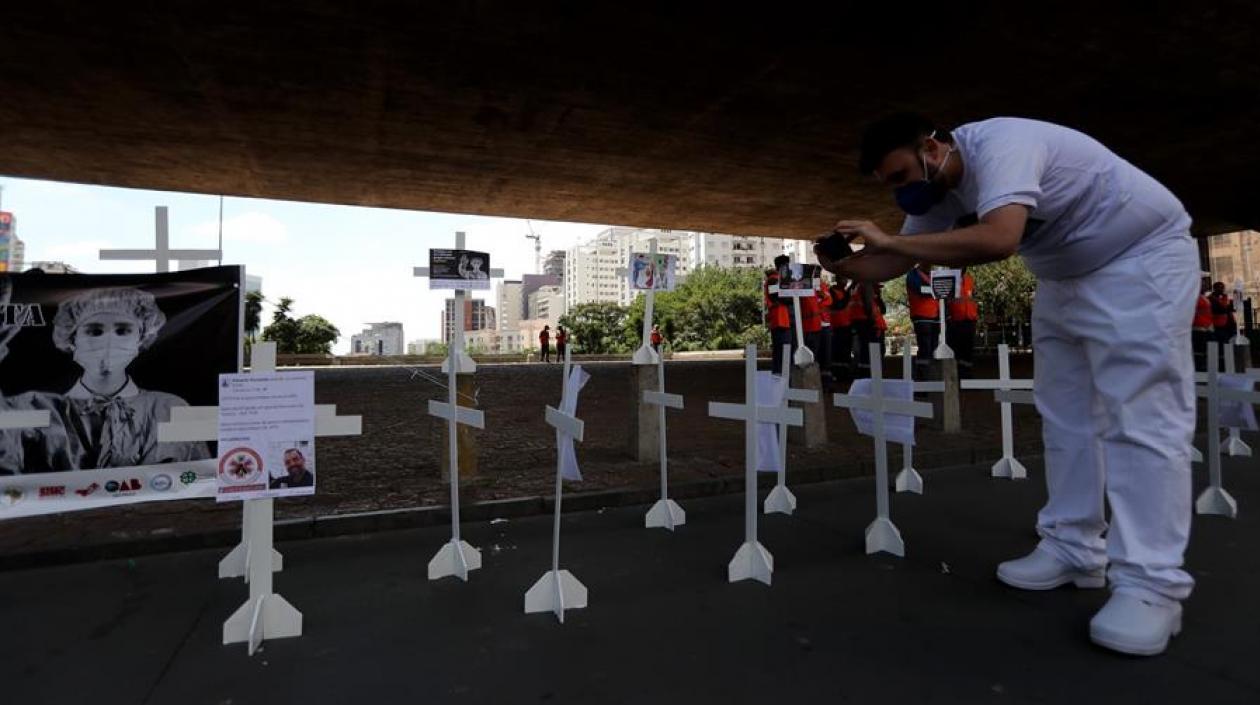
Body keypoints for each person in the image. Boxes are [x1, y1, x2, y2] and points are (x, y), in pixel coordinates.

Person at [817, 114, 1199, 656]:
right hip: (1064, 274)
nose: (903, 194)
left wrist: (885, 242)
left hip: (1141, 259)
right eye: (891, 187)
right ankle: (1073, 547)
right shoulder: (938, 198)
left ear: (932, 147)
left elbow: (1000, 239)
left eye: (902, 176)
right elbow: (890, 262)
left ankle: (1152, 587)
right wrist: (845, 264)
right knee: (1064, 413)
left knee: (1143, 419)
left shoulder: (1003, 145)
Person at [0, 286, 210, 473]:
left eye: (123, 330)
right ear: (72, 340)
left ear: (141, 339)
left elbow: (196, 479)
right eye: (95, 331)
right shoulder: (36, 407)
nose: (109, 340)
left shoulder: (171, 409)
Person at [905, 263, 939, 366]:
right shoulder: (913, 275)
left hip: (935, 316)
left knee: (933, 347)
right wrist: (937, 289)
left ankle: (930, 371)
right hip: (921, 316)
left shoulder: (933, 275)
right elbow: (920, 289)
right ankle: (922, 373)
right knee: (925, 347)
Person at [946, 269, 979, 375]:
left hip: (969, 320)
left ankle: (967, 376)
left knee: (968, 350)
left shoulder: (970, 279)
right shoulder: (949, 280)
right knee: (956, 351)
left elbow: (973, 297)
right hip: (955, 321)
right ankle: (956, 376)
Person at [764, 261, 792, 374]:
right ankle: (780, 376)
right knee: (782, 350)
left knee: (781, 350)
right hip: (779, 320)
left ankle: (780, 374)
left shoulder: (776, 279)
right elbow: (781, 297)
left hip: (781, 319)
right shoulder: (773, 280)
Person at [829, 282, 853, 378]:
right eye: (843, 279)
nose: (845, 281)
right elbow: (839, 305)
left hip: (847, 325)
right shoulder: (832, 291)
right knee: (838, 352)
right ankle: (838, 374)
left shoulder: (844, 291)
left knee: (846, 352)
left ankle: (845, 373)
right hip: (837, 326)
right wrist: (849, 290)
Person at [1191, 280, 1213, 371]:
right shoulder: (1194, 297)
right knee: (1199, 350)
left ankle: (1204, 365)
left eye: (1204, 285)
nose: (1205, 287)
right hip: (1198, 327)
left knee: (1205, 349)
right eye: (1202, 285)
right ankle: (1199, 367)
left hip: (1207, 327)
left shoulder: (1204, 297)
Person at [1208, 281, 1237, 345]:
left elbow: (1231, 308)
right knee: (1222, 342)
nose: (1222, 289)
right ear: (1215, 289)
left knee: (1228, 342)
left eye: (1223, 288)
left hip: (1228, 324)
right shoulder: (1211, 298)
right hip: (1218, 325)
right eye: (1220, 288)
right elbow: (1223, 308)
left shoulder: (1223, 297)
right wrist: (1226, 301)